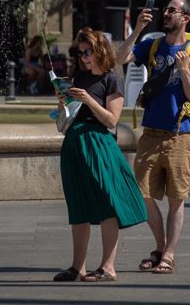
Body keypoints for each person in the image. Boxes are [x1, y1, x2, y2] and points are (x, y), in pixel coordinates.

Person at [115, 0, 190, 275]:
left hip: (180, 135)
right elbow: (118, 59)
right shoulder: (152, 46)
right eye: (165, 9)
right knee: (141, 193)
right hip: (150, 135)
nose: (165, 13)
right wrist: (137, 30)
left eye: (172, 10)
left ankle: (167, 254)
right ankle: (161, 246)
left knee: (176, 198)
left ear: (185, 19)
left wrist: (184, 71)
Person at [53, 27, 147, 283]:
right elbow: (66, 120)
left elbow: (112, 120)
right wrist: (63, 104)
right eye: (80, 52)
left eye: (88, 51)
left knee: (107, 204)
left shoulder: (111, 79)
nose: (84, 57)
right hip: (75, 144)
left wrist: (88, 100)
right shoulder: (79, 77)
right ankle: (77, 267)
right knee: (78, 205)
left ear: (100, 50)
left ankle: (108, 267)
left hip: (98, 143)